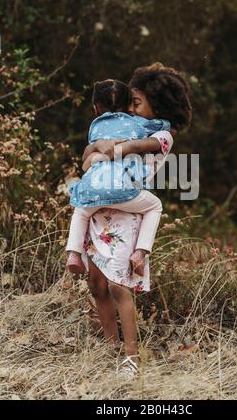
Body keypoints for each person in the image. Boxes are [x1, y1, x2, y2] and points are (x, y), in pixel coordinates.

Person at [81, 63, 192, 379]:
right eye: (129, 102)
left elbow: (130, 149)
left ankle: (131, 357)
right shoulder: (128, 125)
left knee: (118, 284)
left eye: (136, 103)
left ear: (158, 106)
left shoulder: (163, 134)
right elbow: (88, 159)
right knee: (97, 282)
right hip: (101, 210)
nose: (129, 109)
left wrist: (109, 148)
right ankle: (111, 348)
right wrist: (96, 150)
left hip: (127, 216)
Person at [66, 79, 171, 275]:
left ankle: (73, 253)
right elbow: (160, 126)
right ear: (127, 105)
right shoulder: (137, 123)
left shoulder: (95, 127)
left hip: (93, 189)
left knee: (80, 212)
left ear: (96, 108)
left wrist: (99, 147)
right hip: (124, 189)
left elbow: (86, 158)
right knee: (155, 206)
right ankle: (140, 252)